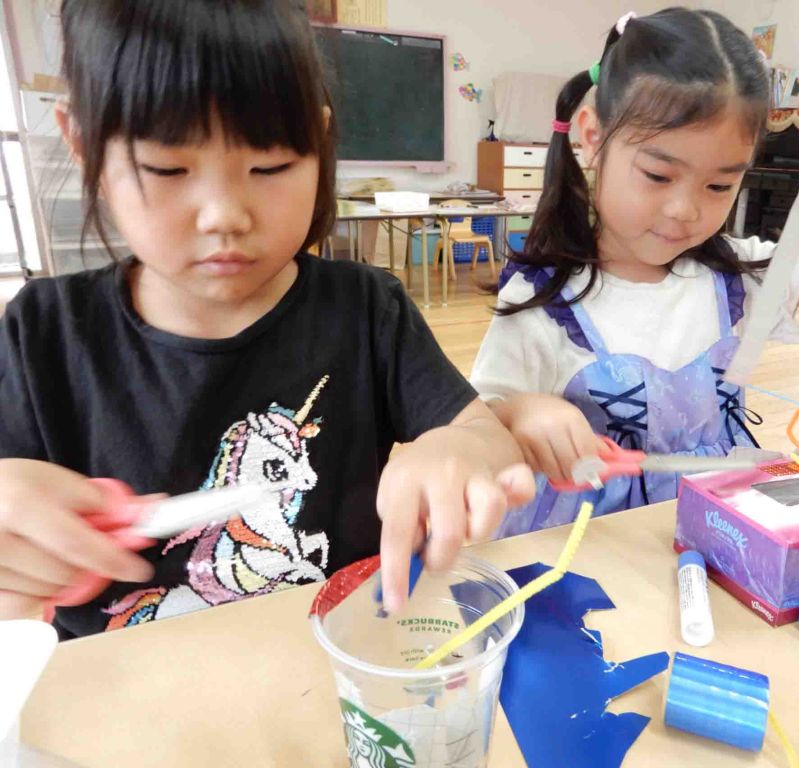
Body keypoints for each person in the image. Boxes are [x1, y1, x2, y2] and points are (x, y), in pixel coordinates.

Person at [0, 0, 532, 637]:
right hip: (125, 687)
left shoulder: (366, 310)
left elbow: (485, 437)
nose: (225, 214)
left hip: (331, 664)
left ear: (319, 143)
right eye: (168, 168)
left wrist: (460, 449)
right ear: (85, 146)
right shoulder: (41, 335)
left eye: (270, 166)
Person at [471, 7, 799, 536]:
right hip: (591, 542)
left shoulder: (737, 276)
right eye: (658, 175)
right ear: (592, 137)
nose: (684, 209)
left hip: (720, 529)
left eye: (719, 186)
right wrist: (521, 412)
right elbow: (479, 422)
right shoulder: (544, 298)